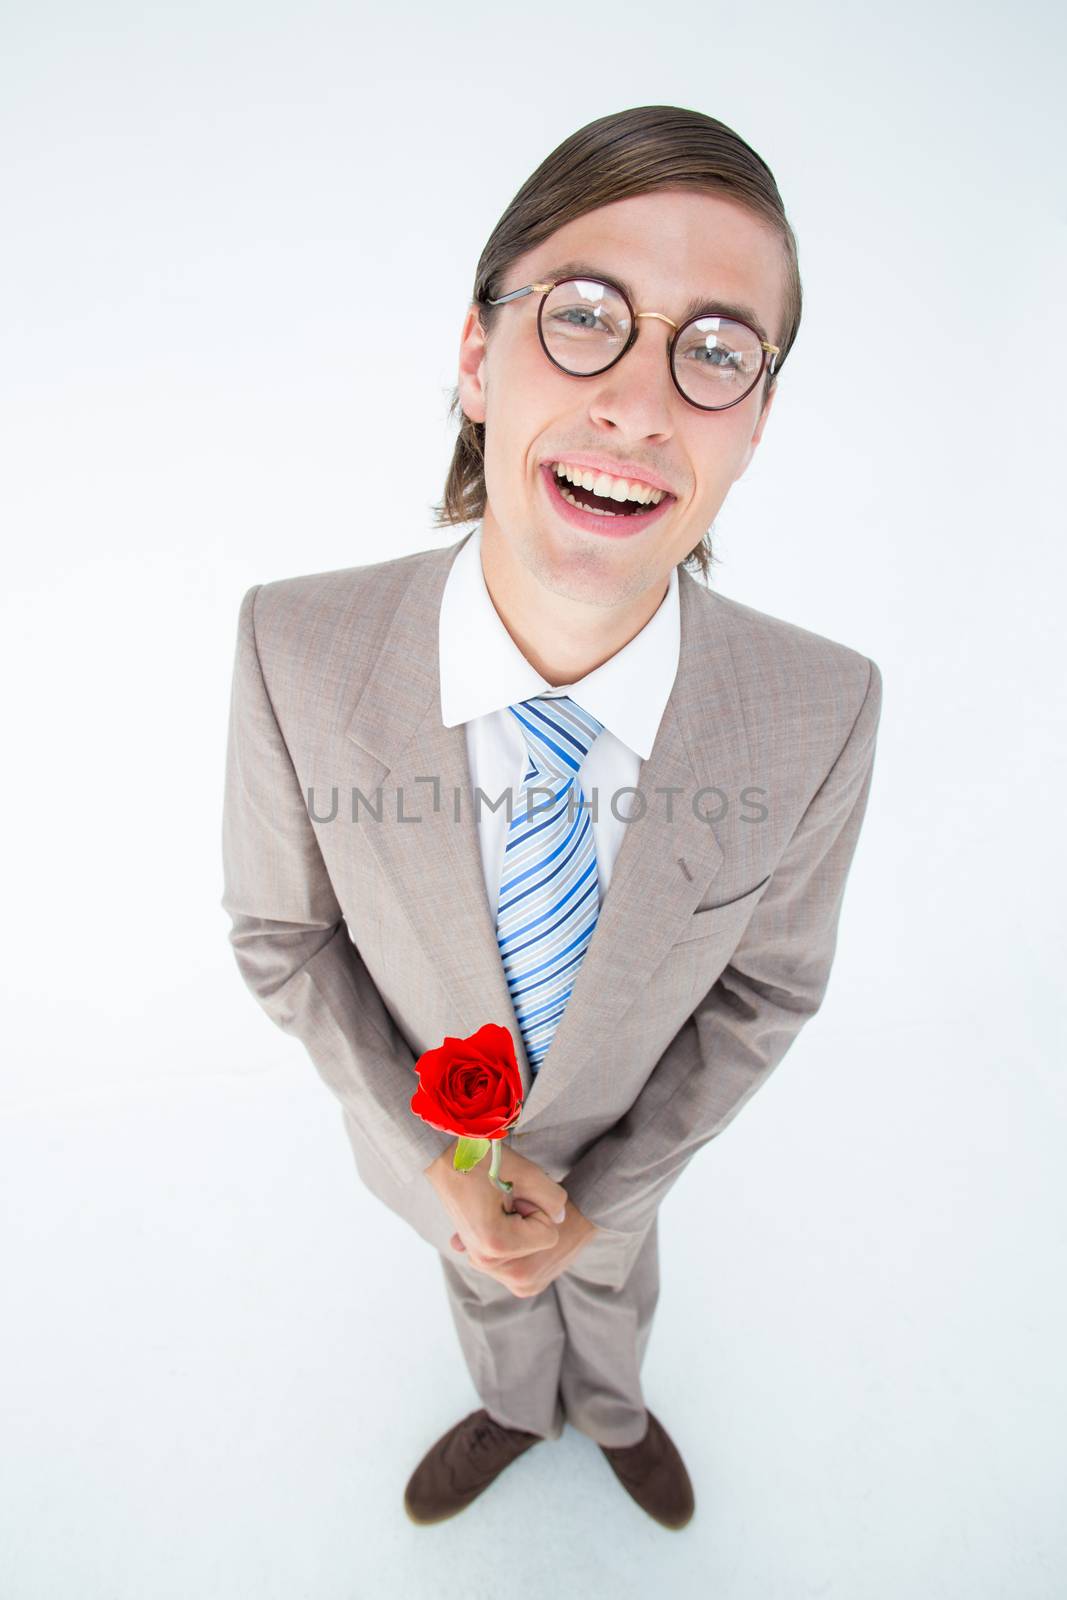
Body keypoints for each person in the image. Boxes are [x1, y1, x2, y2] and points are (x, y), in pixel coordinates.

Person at [220, 104, 883, 1531]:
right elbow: (282, 935)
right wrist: (435, 1165)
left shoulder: (821, 710)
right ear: (477, 357)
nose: (640, 407)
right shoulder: (294, 649)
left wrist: (608, 1196)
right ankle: (517, 1407)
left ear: (758, 417)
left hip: (626, 1171)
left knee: (613, 1288)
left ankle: (617, 1405)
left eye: (715, 351)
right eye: (585, 317)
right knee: (484, 1293)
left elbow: (770, 986)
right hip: (432, 1158)